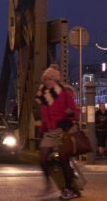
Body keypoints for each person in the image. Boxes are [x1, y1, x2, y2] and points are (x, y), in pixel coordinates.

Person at [35, 64, 79, 200]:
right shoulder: (43, 95)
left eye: (50, 79)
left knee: (63, 159)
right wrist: (42, 131)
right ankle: (48, 184)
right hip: (50, 130)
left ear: (56, 80)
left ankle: (69, 189)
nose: (47, 82)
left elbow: (74, 111)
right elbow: (44, 117)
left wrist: (68, 116)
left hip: (64, 129)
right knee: (42, 158)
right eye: (46, 79)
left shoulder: (64, 93)